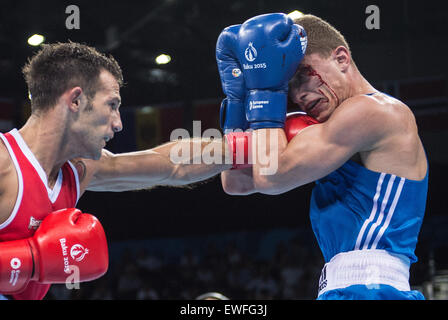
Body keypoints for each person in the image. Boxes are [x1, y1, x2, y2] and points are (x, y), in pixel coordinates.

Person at [0, 42, 235, 300]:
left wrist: (245, 149)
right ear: (76, 100)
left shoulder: (79, 170)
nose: (119, 123)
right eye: (112, 105)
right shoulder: (4, 163)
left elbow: (173, 164)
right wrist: (30, 259)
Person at [218, 13, 428, 300]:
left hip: (373, 288)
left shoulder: (376, 111)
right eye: (288, 88)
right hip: (342, 288)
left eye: (303, 75)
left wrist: (266, 91)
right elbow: (238, 183)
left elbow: (270, 176)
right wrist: (239, 105)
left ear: (341, 58)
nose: (299, 95)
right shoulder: (322, 131)